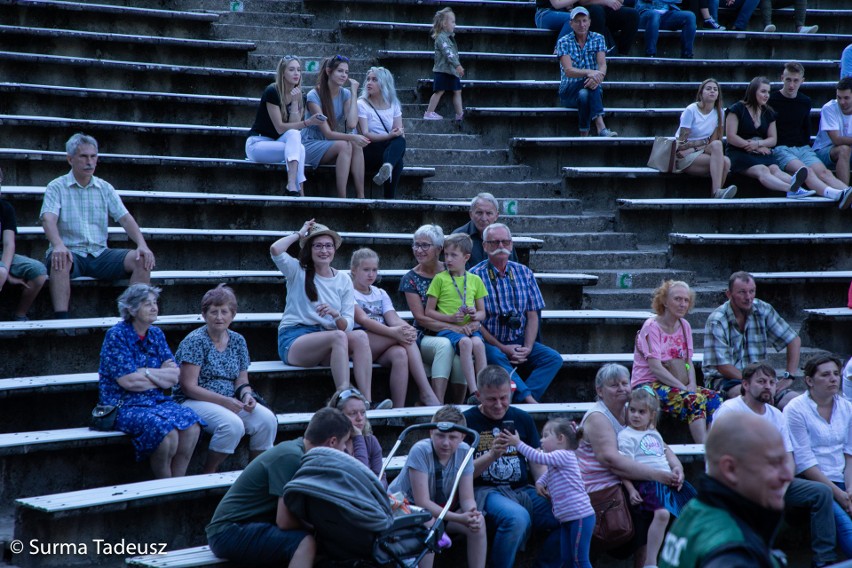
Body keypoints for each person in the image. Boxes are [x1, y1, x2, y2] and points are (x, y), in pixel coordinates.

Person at [713, 361, 840, 566]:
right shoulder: (730, 411)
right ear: (745, 385)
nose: (768, 386)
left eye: (772, 382)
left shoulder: (776, 415)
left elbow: (788, 456)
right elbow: (718, 455)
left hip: (774, 481)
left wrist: (783, 480)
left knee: (821, 492)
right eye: (761, 381)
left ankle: (824, 560)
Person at [206, 407, 351, 567]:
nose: (345, 449)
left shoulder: (303, 454)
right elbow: (284, 521)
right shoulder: (291, 457)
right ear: (332, 441)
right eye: (344, 443)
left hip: (251, 527)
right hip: (228, 532)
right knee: (306, 542)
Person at [270, 219, 389, 409]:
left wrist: (336, 315)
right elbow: (276, 250)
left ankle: (366, 401)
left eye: (328, 246)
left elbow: (347, 323)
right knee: (338, 336)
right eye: (318, 246)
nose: (324, 250)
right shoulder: (296, 270)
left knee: (359, 336)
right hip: (294, 340)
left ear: (334, 249)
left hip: (328, 339)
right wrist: (300, 234)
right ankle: (344, 399)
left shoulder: (343, 279)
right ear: (309, 249)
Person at [40, 133, 156, 319]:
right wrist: (58, 245)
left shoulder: (105, 187)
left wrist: (142, 244)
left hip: (99, 253)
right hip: (71, 253)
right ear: (70, 159)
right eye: (84, 156)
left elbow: (125, 219)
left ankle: (134, 318)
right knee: (60, 258)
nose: (90, 162)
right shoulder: (57, 186)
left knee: (141, 259)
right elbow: (48, 219)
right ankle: (61, 319)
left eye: (93, 156)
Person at [575, 364, 680, 564]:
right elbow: (611, 460)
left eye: (625, 383)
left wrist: (676, 467)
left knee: (667, 502)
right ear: (600, 391)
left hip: (627, 480)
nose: (622, 388)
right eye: (614, 385)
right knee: (651, 505)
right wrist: (656, 474)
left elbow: (660, 444)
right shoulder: (598, 417)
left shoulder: (632, 411)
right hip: (601, 488)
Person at [658, 412, 792, 567]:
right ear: (730, 469)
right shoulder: (734, 553)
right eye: (773, 463)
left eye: (785, 461)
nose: (787, 475)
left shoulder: (694, 511)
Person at [97, 284, 202, 478]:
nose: (154, 308)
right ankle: (164, 484)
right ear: (131, 309)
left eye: (155, 303)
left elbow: (173, 376)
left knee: (191, 425)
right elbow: (128, 382)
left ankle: (179, 484)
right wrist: (158, 376)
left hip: (156, 401)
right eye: (147, 304)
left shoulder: (156, 334)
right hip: (124, 405)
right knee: (166, 431)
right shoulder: (117, 335)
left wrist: (144, 372)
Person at [463, 366, 560, 568]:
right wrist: (491, 455)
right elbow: (462, 473)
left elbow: (536, 463)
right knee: (517, 517)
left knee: (572, 511)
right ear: (479, 395)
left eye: (504, 398)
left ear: (511, 392)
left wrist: (545, 484)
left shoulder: (522, 418)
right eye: (491, 399)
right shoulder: (468, 421)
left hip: (521, 490)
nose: (499, 405)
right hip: (485, 491)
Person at [174, 285, 277, 474]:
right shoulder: (195, 341)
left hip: (230, 399)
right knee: (232, 425)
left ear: (233, 315)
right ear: (204, 315)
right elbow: (188, 387)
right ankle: (209, 471)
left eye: (224, 312)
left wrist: (247, 395)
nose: (219, 317)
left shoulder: (238, 341)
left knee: (267, 420)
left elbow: (241, 380)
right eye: (213, 312)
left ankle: (254, 474)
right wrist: (225, 401)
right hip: (194, 401)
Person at [470, 223, 562, 404]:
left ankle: (520, 399)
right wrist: (503, 348)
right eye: (495, 243)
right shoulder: (474, 276)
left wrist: (527, 347)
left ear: (511, 245)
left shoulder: (524, 273)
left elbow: (533, 314)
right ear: (485, 246)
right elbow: (476, 323)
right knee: (496, 356)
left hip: (519, 340)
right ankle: (528, 400)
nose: (501, 247)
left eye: (505, 242)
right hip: (491, 341)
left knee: (553, 358)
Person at [388, 405, 486, 568]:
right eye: (440, 436)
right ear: (431, 433)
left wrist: (471, 513)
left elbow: (467, 498)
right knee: (430, 522)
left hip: (441, 511)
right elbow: (422, 502)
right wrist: (458, 518)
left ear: (462, 436)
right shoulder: (420, 450)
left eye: (452, 437)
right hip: (403, 508)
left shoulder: (465, 452)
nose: (446, 443)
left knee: (479, 522)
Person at [350, 247, 440, 407]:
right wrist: (395, 333)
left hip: (382, 342)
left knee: (400, 354)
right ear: (354, 270)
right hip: (362, 341)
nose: (371, 274)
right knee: (405, 339)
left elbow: (393, 318)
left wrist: (406, 328)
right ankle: (426, 392)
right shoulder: (348, 291)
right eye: (366, 270)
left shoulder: (380, 293)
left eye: (374, 270)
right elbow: (363, 320)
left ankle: (398, 408)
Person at [632, 280, 721, 443]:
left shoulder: (685, 325)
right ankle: (704, 452)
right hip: (648, 384)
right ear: (665, 301)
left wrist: (692, 384)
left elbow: (688, 362)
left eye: (686, 300)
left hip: (675, 382)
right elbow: (655, 367)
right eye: (677, 299)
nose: (683, 304)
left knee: (715, 398)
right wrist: (684, 388)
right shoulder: (650, 327)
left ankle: (711, 444)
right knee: (695, 400)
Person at [618, 388, 696, 568]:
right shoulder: (626, 436)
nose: (636, 415)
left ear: (652, 415)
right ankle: (651, 563)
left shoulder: (654, 432)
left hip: (666, 483)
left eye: (641, 412)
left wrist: (677, 469)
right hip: (646, 483)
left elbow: (666, 455)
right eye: (632, 410)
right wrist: (630, 490)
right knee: (661, 514)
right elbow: (622, 466)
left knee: (693, 511)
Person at [784, 354, 852, 558]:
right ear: (809, 381)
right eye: (825, 375)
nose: (833, 379)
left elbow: (850, 455)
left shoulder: (847, 408)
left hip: (844, 479)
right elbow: (804, 462)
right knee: (848, 532)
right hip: (814, 480)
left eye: (836, 374)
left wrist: (850, 490)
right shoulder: (795, 409)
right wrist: (840, 495)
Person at [505, 417, 595, 568]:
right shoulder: (558, 462)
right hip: (567, 518)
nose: (541, 440)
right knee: (566, 559)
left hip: (580, 517)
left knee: (580, 560)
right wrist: (540, 483)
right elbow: (549, 474)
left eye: (546, 436)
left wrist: (518, 444)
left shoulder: (563, 454)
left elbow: (538, 458)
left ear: (560, 438)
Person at [703, 271, 801, 406]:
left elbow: (793, 339)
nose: (748, 297)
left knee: (797, 402)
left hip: (761, 378)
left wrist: (789, 376)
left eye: (752, 291)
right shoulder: (717, 320)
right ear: (729, 294)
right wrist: (755, 383)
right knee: (751, 397)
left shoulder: (763, 309)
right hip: (725, 379)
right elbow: (723, 367)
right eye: (742, 292)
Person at [400, 224, 468, 404]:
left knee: (463, 349)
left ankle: (458, 406)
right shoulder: (410, 278)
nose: (418, 250)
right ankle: (436, 404)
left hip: (455, 331)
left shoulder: (452, 268)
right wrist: (452, 327)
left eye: (424, 245)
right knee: (444, 345)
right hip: (426, 335)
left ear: (439, 249)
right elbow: (421, 318)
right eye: (416, 244)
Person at [771, 62, 852, 207]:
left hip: (803, 148)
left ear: (802, 81)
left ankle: (846, 194)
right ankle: (836, 194)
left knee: (824, 173)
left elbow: (805, 129)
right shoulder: (771, 100)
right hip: (781, 148)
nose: (791, 85)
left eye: (796, 80)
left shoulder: (805, 101)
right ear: (782, 78)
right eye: (788, 79)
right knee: (807, 171)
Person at [725, 76, 814, 199]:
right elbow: (731, 137)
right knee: (763, 170)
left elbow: (773, 140)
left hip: (760, 152)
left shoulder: (769, 112)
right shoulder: (737, 109)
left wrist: (758, 144)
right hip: (739, 152)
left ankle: (798, 188)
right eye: (763, 91)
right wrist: (754, 147)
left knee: (775, 168)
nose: (767, 95)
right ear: (752, 91)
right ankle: (791, 189)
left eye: (768, 92)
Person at [425, 233, 488, 401]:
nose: (448, 259)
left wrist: (475, 315)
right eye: (446, 255)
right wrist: (451, 318)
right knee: (466, 343)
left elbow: (483, 313)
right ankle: (474, 392)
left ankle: (484, 388)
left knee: (479, 345)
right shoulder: (440, 279)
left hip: (469, 329)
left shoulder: (475, 280)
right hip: (449, 330)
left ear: (466, 257)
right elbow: (429, 312)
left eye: (454, 255)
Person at [246, 56, 318, 197]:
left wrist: (296, 104)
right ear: (283, 73)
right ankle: (298, 189)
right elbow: (279, 128)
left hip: (277, 145)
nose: (296, 73)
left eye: (298, 70)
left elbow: (294, 130)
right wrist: (307, 123)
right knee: (299, 147)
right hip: (258, 144)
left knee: (297, 140)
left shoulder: (300, 96)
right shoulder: (272, 92)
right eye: (291, 70)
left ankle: (293, 186)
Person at [302, 55, 370, 199]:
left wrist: (353, 93)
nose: (344, 75)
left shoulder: (345, 94)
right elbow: (327, 133)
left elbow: (351, 123)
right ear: (328, 71)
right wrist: (353, 136)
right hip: (309, 144)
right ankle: (342, 198)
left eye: (346, 72)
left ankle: (361, 196)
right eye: (340, 71)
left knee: (355, 145)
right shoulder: (313, 95)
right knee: (346, 144)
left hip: (326, 144)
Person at [556, 7, 618, 137]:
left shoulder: (598, 38)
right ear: (571, 24)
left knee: (585, 93)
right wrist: (590, 73)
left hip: (591, 87)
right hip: (569, 90)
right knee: (589, 85)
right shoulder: (563, 42)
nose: (581, 24)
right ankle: (601, 127)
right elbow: (568, 71)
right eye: (577, 21)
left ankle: (584, 132)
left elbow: (602, 65)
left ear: (589, 22)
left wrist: (597, 77)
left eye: (584, 20)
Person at [673, 78, 737, 199]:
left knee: (723, 154)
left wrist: (698, 146)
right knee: (724, 162)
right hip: (683, 156)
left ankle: (716, 193)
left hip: (699, 152)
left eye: (715, 89)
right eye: (708, 89)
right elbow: (681, 144)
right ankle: (716, 194)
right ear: (701, 93)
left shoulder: (719, 112)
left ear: (718, 94)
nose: (712, 91)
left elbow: (713, 143)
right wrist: (701, 144)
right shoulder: (691, 110)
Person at [0, 167, 47, 321]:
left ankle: (20, 314)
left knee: (38, 271)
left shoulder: (5, 208)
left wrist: (4, 270)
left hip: (3, 255)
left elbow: (9, 244)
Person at [357, 67, 406, 199]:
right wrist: (389, 136)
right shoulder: (361, 104)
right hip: (368, 148)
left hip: (387, 150)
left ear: (384, 83)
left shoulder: (393, 104)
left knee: (400, 140)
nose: (369, 83)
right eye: (368, 79)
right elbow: (365, 134)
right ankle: (389, 198)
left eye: (374, 80)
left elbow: (398, 130)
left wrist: (395, 134)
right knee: (398, 161)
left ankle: (388, 166)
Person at [327, 387, 387, 487]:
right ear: (338, 416)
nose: (360, 418)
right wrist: (358, 437)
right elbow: (359, 478)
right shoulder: (332, 443)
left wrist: (375, 490)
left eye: (363, 412)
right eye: (353, 413)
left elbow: (381, 478)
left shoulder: (371, 440)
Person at [452, 192, 518, 269]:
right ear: (471, 214)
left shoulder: (504, 236)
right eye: (479, 213)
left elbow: (513, 268)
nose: (484, 218)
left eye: (489, 213)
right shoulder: (458, 237)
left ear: (496, 216)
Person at [424, 8, 464, 121]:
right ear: (444, 24)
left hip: (451, 71)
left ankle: (459, 114)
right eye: (453, 22)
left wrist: (456, 67)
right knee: (439, 91)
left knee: (457, 90)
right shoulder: (442, 38)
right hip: (442, 71)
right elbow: (448, 53)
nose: (454, 24)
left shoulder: (449, 38)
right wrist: (457, 65)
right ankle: (429, 112)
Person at [812, 77, 852, 186]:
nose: (842, 102)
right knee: (844, 149)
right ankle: (844, 192)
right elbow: (837, 140)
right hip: (823, 152)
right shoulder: (829, 108)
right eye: (839, 97)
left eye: (846, 98)